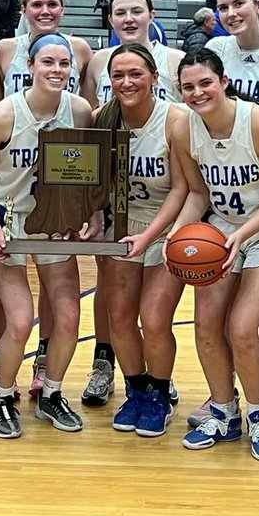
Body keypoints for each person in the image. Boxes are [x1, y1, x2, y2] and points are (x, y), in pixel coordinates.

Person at [170, 49, 259, 461]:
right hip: (220, 229)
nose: (197, 92)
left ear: (223, 81)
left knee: (242, 328)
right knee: (206, 327)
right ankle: (224, 411)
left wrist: (242, 233)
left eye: (205, 82)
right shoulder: (185, 129)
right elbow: (197, 193)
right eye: (188, 86)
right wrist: (175, 237)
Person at [0, 35, 94, 437]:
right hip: (9, 222)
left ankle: (52, 392)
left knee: (68, 315)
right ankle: (2, 395)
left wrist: (88, 214)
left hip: (54, 223)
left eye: (64, 63)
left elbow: (91, 173)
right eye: (48, 62)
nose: (57, 70)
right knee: (22, 318)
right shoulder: (3, 114)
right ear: (30, 65)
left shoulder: (79, 111)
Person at [87, 44, 189, 435]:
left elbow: (182, 189)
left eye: (135, 74)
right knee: (119, 317)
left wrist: (151, 236)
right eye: (118, 75)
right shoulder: (103, 120)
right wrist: (94, 218)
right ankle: (137, 391)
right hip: (122, 232)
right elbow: (93, 184)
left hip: (167, 231)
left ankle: (160, 395)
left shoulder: (175, 120)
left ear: (154, 78)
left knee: (156, 318)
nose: (126, 82)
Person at [84, 0, 183, 109]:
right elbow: (89, 115)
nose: (129, 19)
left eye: (137, 12)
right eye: (120, 13)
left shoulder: (176, 60)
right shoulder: (99, 61)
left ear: (151, 16)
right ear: (111, 20)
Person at [0, 0, 91, 98]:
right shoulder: (5, 49)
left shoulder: (79, 49)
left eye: (52, 4)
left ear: (62, 10)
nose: (45, 11)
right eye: (37, 5)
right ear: (23, 10)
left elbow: (87, 103)